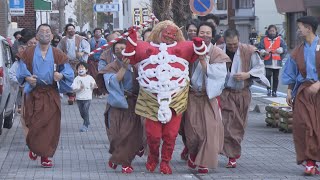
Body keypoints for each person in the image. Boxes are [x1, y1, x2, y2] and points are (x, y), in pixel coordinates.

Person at [122, 20, 206, 174]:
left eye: (173, 35)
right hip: (150, 97)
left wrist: (199, 43)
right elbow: (130, 56)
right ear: (158, 32)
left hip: (175, 98)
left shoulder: (183, 46)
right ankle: (153, 157)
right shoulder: (144, 46)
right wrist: (131, 39)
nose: (169, 37)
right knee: (153, 135)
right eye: (166, 34)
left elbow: (199, 53)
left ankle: (165, 161)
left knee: (171, 134)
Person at [16, 23, 74, 168]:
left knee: (50, 125)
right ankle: (35, 147)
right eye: (42, 31)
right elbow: (21, 70)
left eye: (48, 31)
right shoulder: (28, 52)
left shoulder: (57, 53)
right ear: (36, 36)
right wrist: (27, 78)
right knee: (34, 123)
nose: (45, 33)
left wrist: (60, 75)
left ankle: (46, 156)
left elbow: (67, 71)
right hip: (34, 92)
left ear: (52, 36)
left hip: (51, 93)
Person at [219, 29, 270, 168]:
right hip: (225, 93)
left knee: (238, 124)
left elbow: (260, 68)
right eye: (229, 45)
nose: (232, 47)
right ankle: (231, 155)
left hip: (243, 93)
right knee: (226, 123)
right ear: (225, 41)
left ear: (239, 40)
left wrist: (247, 74)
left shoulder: (249, 51)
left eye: (235, 44)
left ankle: (233, 151)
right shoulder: (218, 51)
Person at [183, 21, 230, 174]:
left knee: (210, 130)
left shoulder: (217, 53)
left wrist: (204, 61)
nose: (204, 35)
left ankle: (204, 163)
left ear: (212, 35)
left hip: (208, 97)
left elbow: (219, 75)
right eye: (201, 32)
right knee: (192, 132)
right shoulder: (189, 49)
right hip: (192, 96)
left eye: (208, 33)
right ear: (197, 35)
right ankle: (194, 154)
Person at [97, 39, 144, 174]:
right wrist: (123, 67)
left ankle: (124, 162)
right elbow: (113, 82)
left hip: (134, 104)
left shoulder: (137, 65)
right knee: (117, 135)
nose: (120, 51)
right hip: (117, 104)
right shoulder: (111, 66)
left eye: (123, 48)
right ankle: (117, 156)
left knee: (131, 134)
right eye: (117, 49)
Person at [282, 16, 320, 176]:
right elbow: (291, 71)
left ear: (309, 28)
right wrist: (290, 90)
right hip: (303, 92)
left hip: (318, 90)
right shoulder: (298, 50)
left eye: (300, 27)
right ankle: (310, 162)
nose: (298, 30)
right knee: (303, 125)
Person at [9, 29, 37, 141]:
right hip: (27, 93)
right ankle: (30, 140)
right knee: (26, 117)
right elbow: (12, 74)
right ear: (25, 45)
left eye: (35, 43)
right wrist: (23, 81)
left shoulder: (45, 55)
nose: (33, 45)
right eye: (31, 43)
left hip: (42, 92)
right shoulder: (21, 59)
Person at [57, 23, 90, 105]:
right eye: (69, 29)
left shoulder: (80, 39)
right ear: (66, 31)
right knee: (69, 78)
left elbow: (87, 47)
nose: (71, 30)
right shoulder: (63, 40)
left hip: (78, 62)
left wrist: (82, 53)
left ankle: (79, 95)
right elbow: (58, 50)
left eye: (72, 29)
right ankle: (71, 96)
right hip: (67, 63)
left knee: (79, 78)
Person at [257, 25, 287, 97]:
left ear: (276, 31)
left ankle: (274, 91)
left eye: (273, 31)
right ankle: (268, 89)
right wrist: (264, 52)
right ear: (268, 31)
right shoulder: (264, 39)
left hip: (277, 62)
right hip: (268, 61)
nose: (272, 32)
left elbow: (285, 48)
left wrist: (281, 50)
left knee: (276, 77)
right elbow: (259, 48)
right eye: (270, 31)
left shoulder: (280, 39)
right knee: (268, 76)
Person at [71, 62, 97, 132]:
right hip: (79, 98)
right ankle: (87, 121)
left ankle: (85, 125)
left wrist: (94, 86)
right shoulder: (76, 78)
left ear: (86, 70)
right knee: (82, 113)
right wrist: (79, 88)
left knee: (85, 110)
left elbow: (94, 85)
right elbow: (73, 88)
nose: (81, 69)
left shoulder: (90, 77)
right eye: (79, 68)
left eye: (82, 68)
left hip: (88, 98)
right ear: (77, 70)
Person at [88, 28, 107, 97]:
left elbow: (106, 51)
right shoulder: (90, 41)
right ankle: (94, 91)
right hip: (92, 61)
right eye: (96, 32)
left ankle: (100, 91)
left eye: (99, 32)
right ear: (94, 33)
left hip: (100, 60)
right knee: (93, 76)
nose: (98, 33)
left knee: (100, 75)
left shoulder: (104, 41)